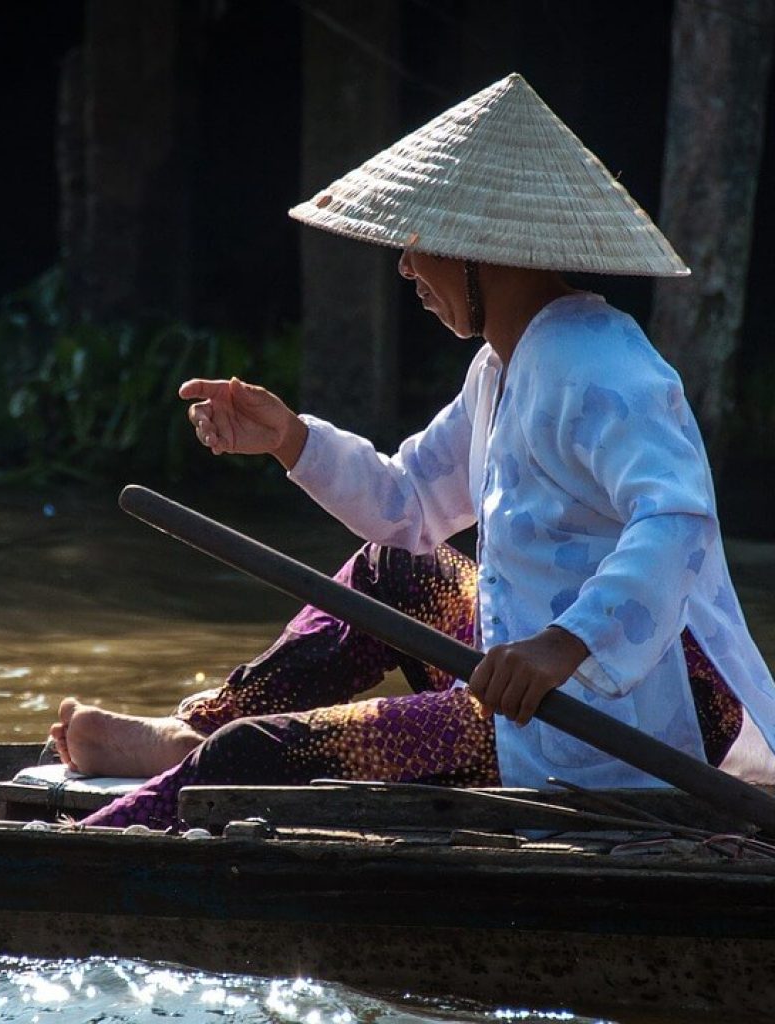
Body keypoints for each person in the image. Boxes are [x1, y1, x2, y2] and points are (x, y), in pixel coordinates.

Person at [50, 72, 775, 830]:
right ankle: (189, 739)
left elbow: (677, 519)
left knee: (255, 757)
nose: (404, 268)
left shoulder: (602, 365)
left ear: (476, 250)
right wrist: (290, 438)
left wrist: (563, 647)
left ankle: (84, 848)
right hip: (532, 683)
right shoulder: (503, 364)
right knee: (391, 567)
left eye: (417, 243)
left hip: (618, 719)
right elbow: (406, 505)